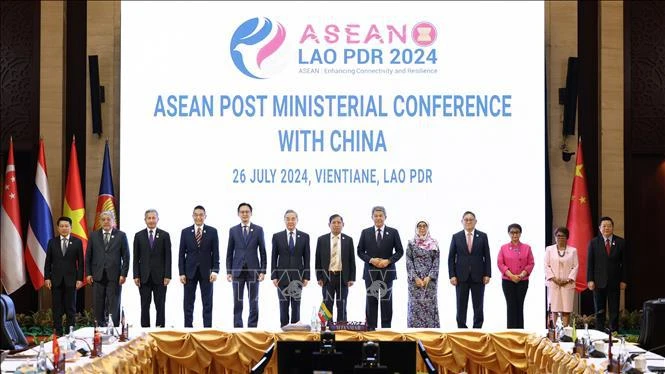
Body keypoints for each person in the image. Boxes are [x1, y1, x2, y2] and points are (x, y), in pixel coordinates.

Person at [357, 206, 404, 329]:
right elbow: (360, 251)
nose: (378, 218)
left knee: (386, 303)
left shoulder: (393, 232)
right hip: (370, 273)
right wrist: (371, 260)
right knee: (371, 302)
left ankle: (386, 330)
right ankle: (371, 330)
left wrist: (388, 261)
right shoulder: (365, 232)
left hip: (387, 272)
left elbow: (400, 251)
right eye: (376, 216)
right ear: (372, 217)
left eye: (381, 215)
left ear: (385, 217)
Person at [85, 211, 130, 326]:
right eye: (103, 219)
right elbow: (88, 256)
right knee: (98, 303)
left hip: (115, 276)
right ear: (100, 221)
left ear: (113, 221)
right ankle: (99, 330)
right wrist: (88, 274)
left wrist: (123, 274)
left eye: (108, 219)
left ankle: (114, 328)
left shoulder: (121, 235)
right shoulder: (94, 236)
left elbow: (126, 256)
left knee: (114, 304)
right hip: (97, 276)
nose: (106, 222)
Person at [448, 211, 491, 328]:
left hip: (479, 276)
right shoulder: (456, 237)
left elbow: (487, 256)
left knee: (478, 305)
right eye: (466, 219)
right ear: (462, 221)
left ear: (475, 221)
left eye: (471, 219)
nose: (468, 221)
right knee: (461, 305)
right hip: (460, 277)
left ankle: (477, 329)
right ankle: (462, 329)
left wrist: (488, 274)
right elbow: (451, 257)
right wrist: (452, 275)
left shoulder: (483, 236)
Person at [226, 202, 267, 328]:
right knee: (237, 301)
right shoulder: (233, 230)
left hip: (253, 271)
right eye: (242, 212)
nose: (244, 214)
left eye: (247, 212)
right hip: (237, 271)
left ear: (251, 213)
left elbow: (263, 251)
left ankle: (252, 327)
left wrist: (263, 271)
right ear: (238, 214)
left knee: (253, 301)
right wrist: (228, 271)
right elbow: (229, 251)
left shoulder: (258, 230)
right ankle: (238, 328)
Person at [178, 205, 219, 328]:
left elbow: (216, 253)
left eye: (201, 215)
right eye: (196, 215)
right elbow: (181, 254)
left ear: (205, 216)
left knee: (207, 303)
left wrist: (215, 270)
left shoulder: (212, 231)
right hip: (189, 272)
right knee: (188, 303)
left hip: (207, 273)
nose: (198, 217)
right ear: (192, 216)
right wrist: (181, 273)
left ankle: (207, 330)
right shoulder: (185, 232)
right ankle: (188, 329)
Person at [44, 216, 84, 335]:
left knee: (71, 308)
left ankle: (70, 333)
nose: (64, 228)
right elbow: (48, 262)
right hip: (55, 280)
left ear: (71, 227)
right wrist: (47, 277)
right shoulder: (52, 242)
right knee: (57, 308)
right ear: (58, 228)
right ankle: (58, 333)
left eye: (66, 226)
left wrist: (79, 279)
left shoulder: (77, 242)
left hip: (71, 280)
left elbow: (81, 263)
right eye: (61, 226)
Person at [271, 209, 310, 327]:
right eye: (288, 219)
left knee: (296, 305)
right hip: (281, 277)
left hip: (298, 277)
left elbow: (307, 257)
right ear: (284, 220)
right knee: (283, 305)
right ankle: (283, 330)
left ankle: (295, 330)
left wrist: (307, 276)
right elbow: (273, 257)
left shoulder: (304, 236)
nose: (290, 221)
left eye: (293, 219)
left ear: (297, 220)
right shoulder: (277, 236)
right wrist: (274, 276)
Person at [132, 209, 171, 328]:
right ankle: (144, 331)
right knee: (144, 306)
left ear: (157, 219)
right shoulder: (139, 235)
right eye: (149, 218)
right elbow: (136, 257)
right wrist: (136, 275)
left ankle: (160, 330)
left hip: (160, 278)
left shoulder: (164, 235)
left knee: (160, 306)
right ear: (145, 220)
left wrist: (168, 275)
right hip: (144, 277)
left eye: (153, 218)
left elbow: (168, 257)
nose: (151, 220)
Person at [587, 216, 627, 331]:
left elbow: (625, 263)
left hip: (615, 281)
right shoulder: (594, 243)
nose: (606, 228)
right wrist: (590, 279)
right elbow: (590, 263)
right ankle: (599, 332)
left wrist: (624, 280)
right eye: (604, 226)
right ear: (600, 228)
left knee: (614, 309)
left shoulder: (620, 242)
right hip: (598, 282)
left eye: (609, 226)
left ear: (612, 227)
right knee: (599, 310)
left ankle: (614, 332)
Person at [315, 214, 356, 323]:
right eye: (334, 222)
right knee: (327, 303)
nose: (336, 225)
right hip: (327, 277)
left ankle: (341, 327)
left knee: (342, 303)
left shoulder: (348, 240)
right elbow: (317, 260)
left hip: (343, 277)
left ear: (343, 225)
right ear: (329, 225)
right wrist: (319, 277)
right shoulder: (322, 239)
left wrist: (352, 278)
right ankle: (326, 328)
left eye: (339, 222)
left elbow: (352, 260)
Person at [497, 223, 534, 329]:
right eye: (512, 232)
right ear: (509, 234)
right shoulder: (503, 248)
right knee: (511, 306)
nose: (514, 235)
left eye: (517, 232)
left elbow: (531, 263)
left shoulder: (527, 248)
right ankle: (511, 334)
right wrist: (511, 276)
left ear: (520, 233)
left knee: (519, 305)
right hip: (508, 281)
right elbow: (500, 263)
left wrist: (521, 275)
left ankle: (520, 333)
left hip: (522, 281)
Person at [406, 220, 440, 328]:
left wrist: (429, 277)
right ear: (416, 228)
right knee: (414, 306)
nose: (422, 228)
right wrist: (415, 278)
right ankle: (414, 335)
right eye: (419, 226)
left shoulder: (434, 243)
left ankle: (431, 335)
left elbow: (436, 262)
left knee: (430, 306)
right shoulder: (411, 243)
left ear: (427, 228)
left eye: (424, 226)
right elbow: (408, 261)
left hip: (430, 282)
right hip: (414, 282)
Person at [545, 226, 578, 327]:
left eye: (563, 236)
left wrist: (567, 280)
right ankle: (554, 330)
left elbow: (575, 266)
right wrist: (554, 279)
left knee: (566, 309)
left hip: (567, 284)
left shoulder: (573, 250)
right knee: (554, 308)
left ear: (567, 237)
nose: (560, 238)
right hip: (553, 283)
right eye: (558, 236)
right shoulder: (549, 249)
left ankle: (565, 331)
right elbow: (546, 265)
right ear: (555, 237)